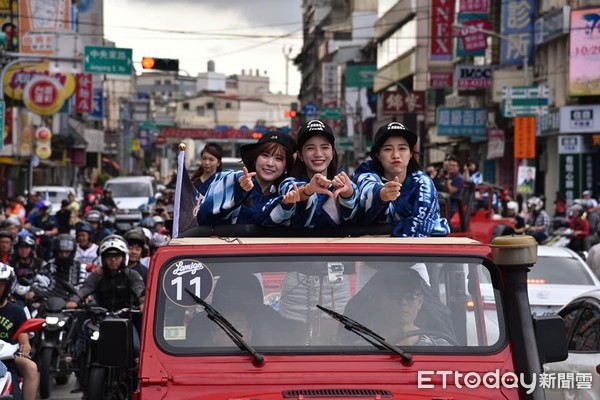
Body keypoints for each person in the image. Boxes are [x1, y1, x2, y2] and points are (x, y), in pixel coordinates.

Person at [353, 122, 449, 237]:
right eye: (388, 149)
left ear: (411, 154)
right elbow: (366, 193)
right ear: (377, 155)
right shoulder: (365, 174)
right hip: (366, 252)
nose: (396, 155)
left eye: (402, 148)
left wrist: (387, 232)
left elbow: (419, 230)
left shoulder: (423, 183)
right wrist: (382, 195)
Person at [263, 119, 357, 228]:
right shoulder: (288, 183)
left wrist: (348, 194)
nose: (318, 154)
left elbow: (355, 216)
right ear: (300, 155)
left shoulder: (346, 184)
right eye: (310, 148)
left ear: (332, 153)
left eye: (325, 147)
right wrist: (308, 190)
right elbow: (291, 191)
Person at [197, 130, 296, 226]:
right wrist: (237, 189)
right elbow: (202, 215)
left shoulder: (287, 194)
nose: (270, 163)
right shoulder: (228, 179)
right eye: (265, 155)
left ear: (286, 166)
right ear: (255, 158)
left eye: (278, 158)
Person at [341, 268, 453, 346]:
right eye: (395, 295)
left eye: (411, 295)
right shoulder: (360, 350)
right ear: (380, 300)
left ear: (420, 301)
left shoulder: (441, 347)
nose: (403, 302)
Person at [66, 234, 145, 312]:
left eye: (117, 256)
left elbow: (140, 290)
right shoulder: (97, 274)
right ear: (103, 259)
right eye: (109, 256)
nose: (113, 260)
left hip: (127, 317)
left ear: (124, 258)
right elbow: (86, 288)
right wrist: (74, 300)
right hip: (100, 317)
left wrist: (143, 303)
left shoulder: (132, 275)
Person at [0, 264, 39, 400]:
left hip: (7, 358)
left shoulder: (16, 310)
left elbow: (23, 336)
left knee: (31, 367)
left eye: (0, 285)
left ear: (7, 286)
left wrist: (25, 346)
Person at [440, 155, 464, 219]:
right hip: (445, 204)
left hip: (453, 207)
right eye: (449, 165)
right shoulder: (449, 176)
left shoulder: (459, 178)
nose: (451, 167)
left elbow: (451, 191)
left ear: (458, 167)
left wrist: (447, 182)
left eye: (453, 166)